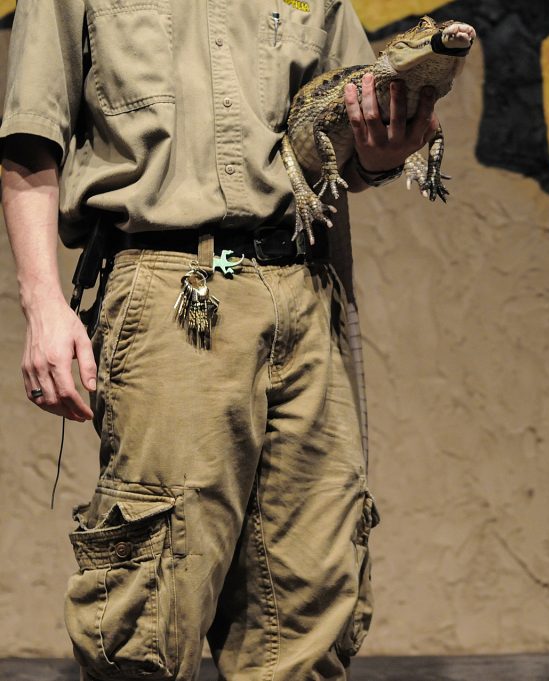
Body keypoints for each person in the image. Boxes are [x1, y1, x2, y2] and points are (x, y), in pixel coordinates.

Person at [1, 1, 439, 679]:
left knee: (309, 596)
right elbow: (31, 138)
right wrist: (42, 302)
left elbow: (344, 140)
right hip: (169, 283)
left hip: (302, 284)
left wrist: (382, 148)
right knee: (149, 596)